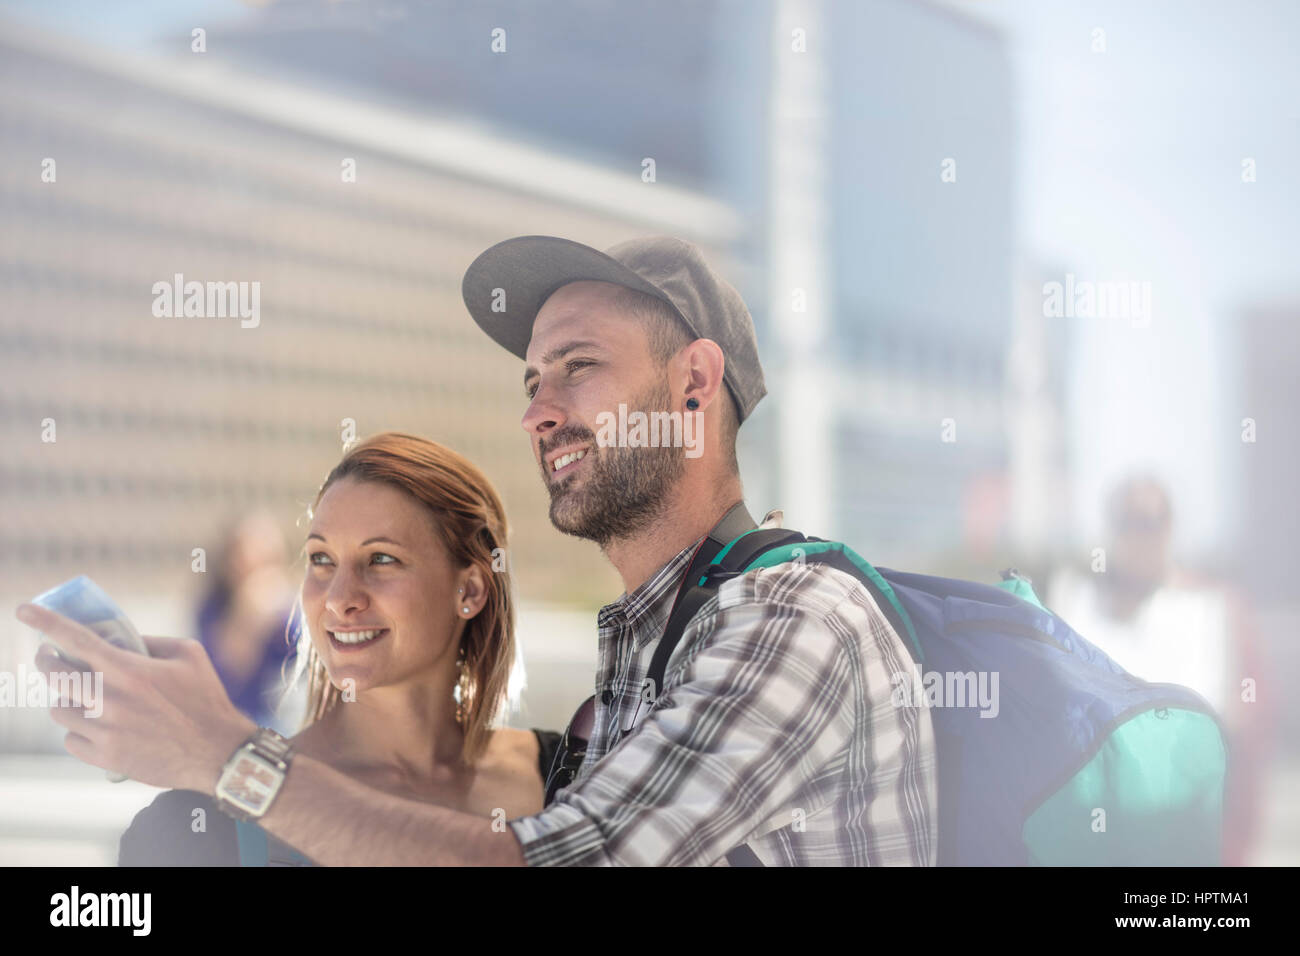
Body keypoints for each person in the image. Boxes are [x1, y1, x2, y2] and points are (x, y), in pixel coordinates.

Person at [23, 235, 936, 866]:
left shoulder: (796, 624)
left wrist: (225, 756)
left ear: (693, 382)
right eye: (534, 380)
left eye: (579, 366)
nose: (540, 409)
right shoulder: (647, 657)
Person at [116, 433, 562, 865]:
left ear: (469, 590)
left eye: (382, 559)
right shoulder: (193, 829)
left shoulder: (571, 776)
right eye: (321, 559)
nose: (338, 598)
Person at [1048, 474, 1274, 866]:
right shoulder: (1074, 605)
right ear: (1112, 528)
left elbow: (1249, 730)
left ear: (1169, 528)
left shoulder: (1214, 611)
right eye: (1130, 522)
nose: (1142, 537)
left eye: (1152, 522)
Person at [194, 510, 298, 733]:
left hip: (276, 727)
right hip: (225, 721)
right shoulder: (213, 608)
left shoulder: (291, 614)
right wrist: (247, 615)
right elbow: (231, 669)